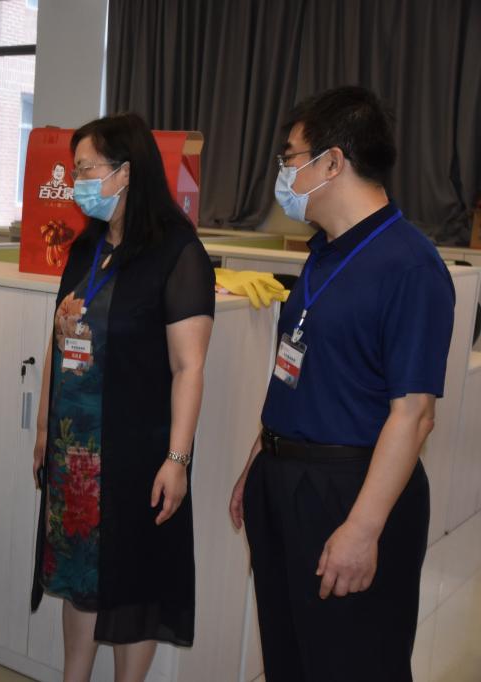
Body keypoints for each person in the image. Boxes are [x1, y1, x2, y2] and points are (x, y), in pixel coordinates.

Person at [228, 86, 455, 681]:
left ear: (332, 162)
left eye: (290, 156)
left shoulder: (410, 265)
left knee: (353, 663)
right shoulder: (325, 253)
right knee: (289, 657)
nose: (283, 171)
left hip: (351, 489)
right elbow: (299, 371)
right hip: (286, 479)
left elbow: (414, 415)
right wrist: (262, 454)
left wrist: (362, 528)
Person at [30, 113, 215, 681]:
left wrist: (178, 459)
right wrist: (44, 429)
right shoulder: (86, 248)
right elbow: (59, 341)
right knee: (79, 579)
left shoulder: (177, 253)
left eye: (86, 169)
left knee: (133, 582)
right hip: (74, 451)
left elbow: (189, 367)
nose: (77, 181)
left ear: (126, 172)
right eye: (74, 170)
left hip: (135, 454)